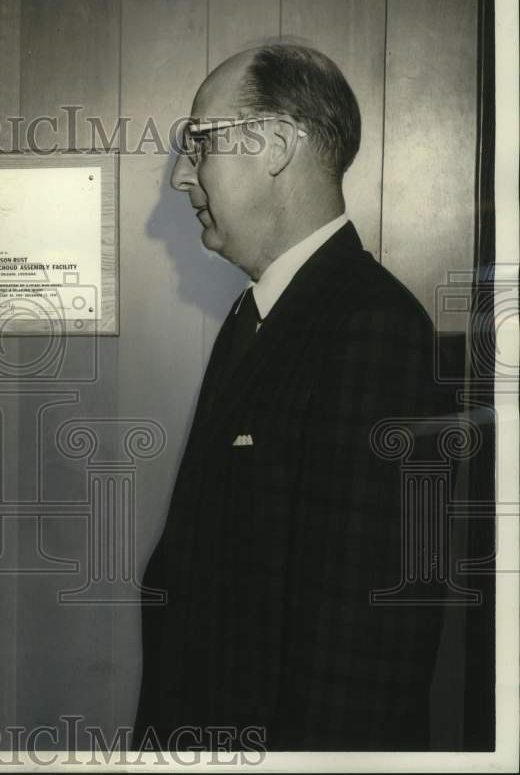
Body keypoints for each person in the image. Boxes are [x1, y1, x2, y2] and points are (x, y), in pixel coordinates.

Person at [134, 44, 450, 751]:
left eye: (199, 143)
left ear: (275, 145)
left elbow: (365, 657)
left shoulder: (377, 330)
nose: (184, 176)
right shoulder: (258, 317)